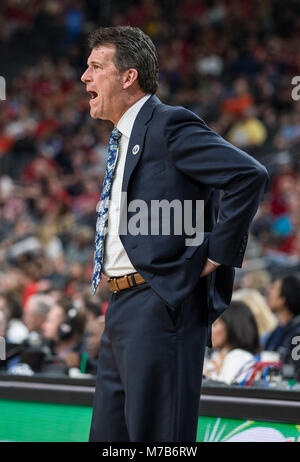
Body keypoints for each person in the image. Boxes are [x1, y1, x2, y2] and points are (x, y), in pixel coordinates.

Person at [81, 26, 269, 442]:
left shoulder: (169, 124)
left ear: (128, 77)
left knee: (156, 440)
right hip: (122, 306)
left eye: (96, 67)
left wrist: (215, 256)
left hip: (160, 303)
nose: (84, 77)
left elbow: (248, 175)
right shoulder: (125, 137)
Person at [203, 301, 260, 385]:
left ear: (233, 326)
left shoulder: (238, 357)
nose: (209, 330)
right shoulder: (219, 356)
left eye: (215, 324)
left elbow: (224, 392)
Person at [264, 275, 300, 370]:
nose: (268, 293)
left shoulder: (297, 333)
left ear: (283, 299)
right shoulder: (277, 330)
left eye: (273, 289)